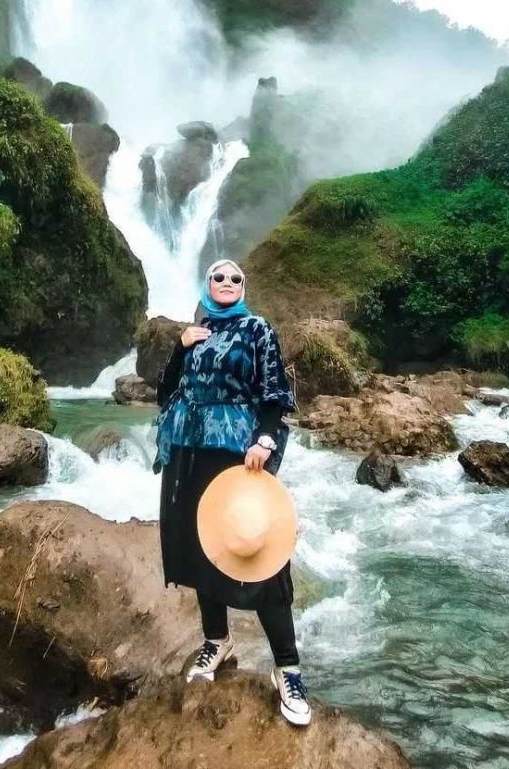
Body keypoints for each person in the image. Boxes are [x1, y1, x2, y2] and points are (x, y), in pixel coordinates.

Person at [153, 257, 312, 726]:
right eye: (217, 277)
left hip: (238, 454)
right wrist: (181, 349)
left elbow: (275, 392)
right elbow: (165, 393)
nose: (225, 282)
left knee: (261, 557)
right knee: (202, 550)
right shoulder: (196, 332)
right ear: (206, 286)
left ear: (245, 286)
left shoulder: (257, 329)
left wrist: (264, 438)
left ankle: (287, 668)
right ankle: (217, 640)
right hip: (188, 452)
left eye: (235, 277)